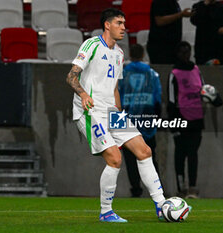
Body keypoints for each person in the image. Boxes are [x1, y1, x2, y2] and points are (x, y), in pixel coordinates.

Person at [66, 8, 167, 223]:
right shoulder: (91, 45)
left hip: (112, 112)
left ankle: (161, 205)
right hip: (90, 111)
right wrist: (83, 94)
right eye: (119, 23)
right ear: (107, 25)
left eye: (124, 23)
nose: (124, 27)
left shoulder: (119, 53)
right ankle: (106, 212)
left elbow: (114, 88)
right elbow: (71, 76)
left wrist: (119, 115)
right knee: (115, 158)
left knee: (144, 150)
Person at [118, 44, 162, 198]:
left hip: (128, 122)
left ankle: (136, 189)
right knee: (150, 156)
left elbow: (116, 98)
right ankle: (155, 189)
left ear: (130, 54)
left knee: (131, 160)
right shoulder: (152, 74)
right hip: (147, 121)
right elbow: (157, 99)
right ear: (143, 54)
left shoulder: (123, 73)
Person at [168, 41, 204, 198]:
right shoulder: (174, 73)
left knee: (193, 153)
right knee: (180, 155)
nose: (185, 55)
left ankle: (192, 187)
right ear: (177, 54)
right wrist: (173, 125)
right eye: (182, 52)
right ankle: (181, 187)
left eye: (187, 52)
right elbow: (171, 100)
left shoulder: (196, 70)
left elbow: (203, 90)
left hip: (196, 118)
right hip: (180, 118)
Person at [147, 0, 192, 64]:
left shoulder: (174, 3)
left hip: (173, 46)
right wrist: (180, 14)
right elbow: (159, 21)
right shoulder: (160, 2)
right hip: (161, 46)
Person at [190, 0, 223, 65]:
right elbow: (194, 20)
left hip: (219, 48)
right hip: (203, 48)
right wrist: (205, 5)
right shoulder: (198, 6)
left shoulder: (222, 8)